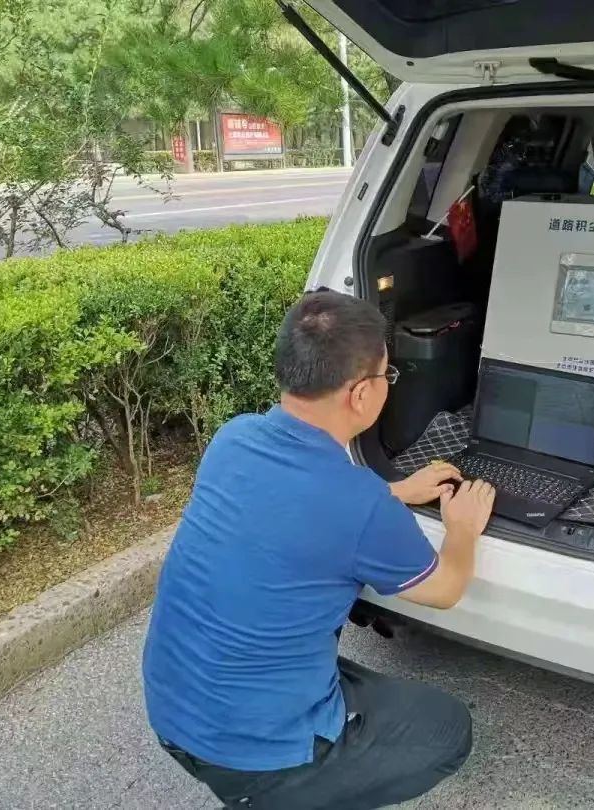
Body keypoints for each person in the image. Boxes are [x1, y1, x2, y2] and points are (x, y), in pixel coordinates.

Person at [142, 290, 496, 809]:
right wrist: (461, 529)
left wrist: (395, 492)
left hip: (173, 713)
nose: (388, 385)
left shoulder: (233, 439)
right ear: (361, 394)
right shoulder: (359, 504)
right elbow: (445, 590)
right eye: (388, 375)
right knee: (447, 727)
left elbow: (300, 506)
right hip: (253, 758)